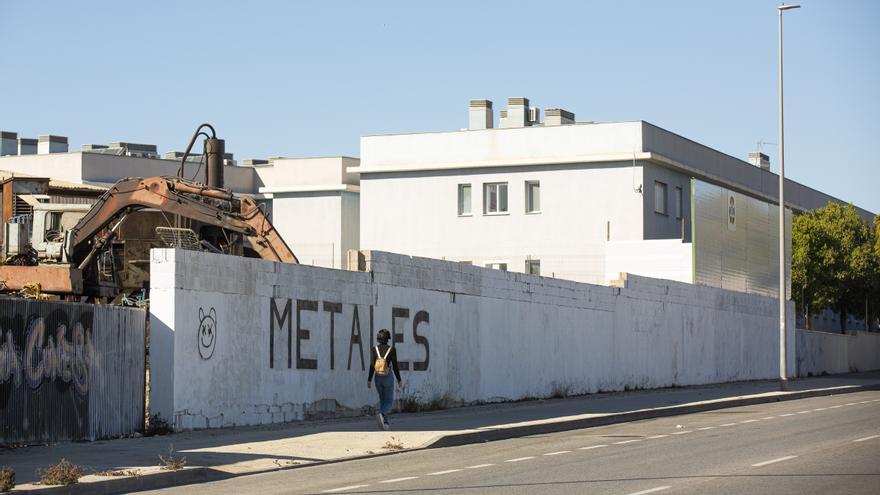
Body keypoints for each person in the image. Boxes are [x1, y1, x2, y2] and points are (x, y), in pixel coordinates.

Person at [367, 329, 402, 430]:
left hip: (377, 377)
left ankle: (385, 422)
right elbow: (395, 366)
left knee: (382, 399)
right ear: (388, 338)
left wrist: (369, 379)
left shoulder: (374, 349)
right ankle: (382, 414)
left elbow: (371, 365)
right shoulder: (392, 349)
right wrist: (399, 379)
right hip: (387, 376)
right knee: (389, 401)